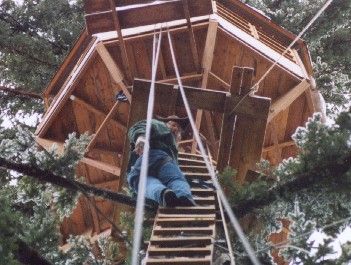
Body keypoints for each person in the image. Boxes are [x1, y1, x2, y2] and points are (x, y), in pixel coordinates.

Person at [126, 115, 196, 207]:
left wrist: (140, 139)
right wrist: (141, 138)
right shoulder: (161, 126)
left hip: (151, 158)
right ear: (168, 123)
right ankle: (184, 196)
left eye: (179, 129)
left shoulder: (172, 146)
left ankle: (164, 194)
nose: (176, 129)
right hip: (163, 160)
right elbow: (142, 126)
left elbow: (138, 127)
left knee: (142, 181)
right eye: (174, 125)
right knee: (176, 180)